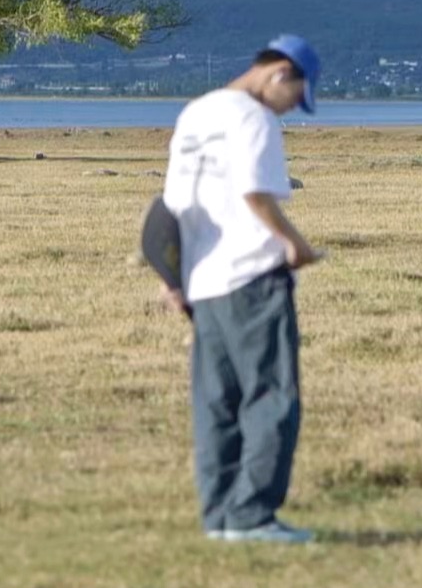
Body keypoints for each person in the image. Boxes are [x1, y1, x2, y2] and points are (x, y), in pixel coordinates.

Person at [161, 33, 326, 544]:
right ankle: (253, 516)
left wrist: (173, 277)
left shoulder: (195, 115)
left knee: (217, 402)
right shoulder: (255, 119)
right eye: (297, 97)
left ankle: (220, 515)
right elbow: (255, 192)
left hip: (204, 282)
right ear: (280, 74)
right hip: (254, 277)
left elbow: (172, 206)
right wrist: (295, 244)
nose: (294, 108)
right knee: (271, 396)